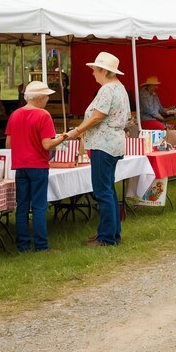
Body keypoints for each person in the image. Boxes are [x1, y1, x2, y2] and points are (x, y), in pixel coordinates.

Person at [65, 52, 130, 247]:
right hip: (113, 143)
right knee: (107, 190)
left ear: (104, 71)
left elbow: (96, 117)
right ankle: (110, 233)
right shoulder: (120, 88)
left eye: (94, 70)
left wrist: (76, 131)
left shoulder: (107, 89)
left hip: (104, 144)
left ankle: (107, 238)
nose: (92, 73)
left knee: (103, 191)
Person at [5, 81, 67, 252]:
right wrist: (63, 138)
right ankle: (41, 246)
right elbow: (47, 145)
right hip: (38, 165)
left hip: (20, 166)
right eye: (46, 96)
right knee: (39, 206)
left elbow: (9, 144)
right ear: (39, 98)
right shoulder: (43, 115)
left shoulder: (15, 114)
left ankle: (23, 246)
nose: (48, 99)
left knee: (22, 206)